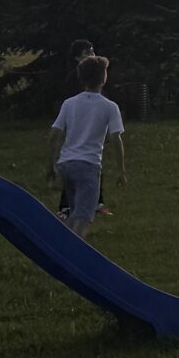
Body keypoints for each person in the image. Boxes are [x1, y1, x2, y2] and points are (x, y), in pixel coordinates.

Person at [47, 54, 127, 235]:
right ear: (104, 78)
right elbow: (116, 139)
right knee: (83, 217)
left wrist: (51, 166)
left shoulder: (69, 103)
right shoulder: (109, 106)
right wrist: (121, 171)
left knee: (74, 212)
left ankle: (60, 242)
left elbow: (54, 135)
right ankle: (71, 248)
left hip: (66, 164)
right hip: (88, 166)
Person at [58, 37, 96, 219]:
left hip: (91, 126)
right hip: (77, 128)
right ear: (77, 58)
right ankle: (66, 204)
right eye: (87, 52)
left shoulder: (95, 76)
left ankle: (96, 202)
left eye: (93, 51)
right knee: (75, 166)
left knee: (95, 162)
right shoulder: (74, 79)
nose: (92, 55)